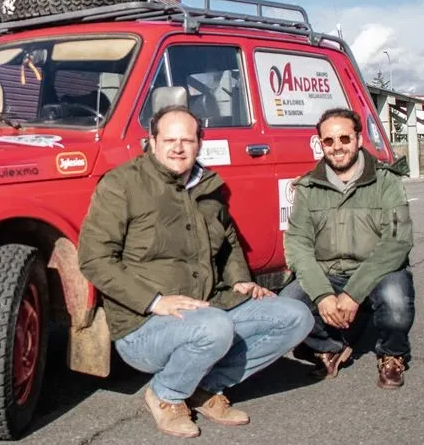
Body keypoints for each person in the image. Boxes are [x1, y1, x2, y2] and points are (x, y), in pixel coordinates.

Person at [78, 105, 313, 438]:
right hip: (143, 326)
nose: (178, 148)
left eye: (187, 140)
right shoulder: (122, 185)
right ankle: (166, 394)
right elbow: (93, 259)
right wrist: (155, 301)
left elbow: (228, 240)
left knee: (296, 315)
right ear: (152, 141)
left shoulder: (208, 187)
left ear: (199, 142)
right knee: (214, 327)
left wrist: (240, 280)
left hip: (207, 308)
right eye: (169, 139)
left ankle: (205, 387)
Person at [280, 107, 415, 390]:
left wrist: (353, 294)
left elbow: (397, 241)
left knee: (396, 303)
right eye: (328, 141)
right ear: (321, 144)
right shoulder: (308, 187)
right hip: (329, 271)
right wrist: (323, 295)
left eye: (344, 138)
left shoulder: (386, 181)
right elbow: (298, 245)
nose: (337, 147)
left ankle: (392, 355)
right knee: (286, 307)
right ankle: (329, 347)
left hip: (378, 270)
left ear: (358, 139)